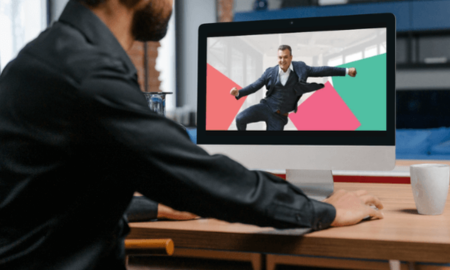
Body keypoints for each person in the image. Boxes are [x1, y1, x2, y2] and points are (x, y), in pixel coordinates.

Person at [0, 0, 383, 269]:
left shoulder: (39, 59)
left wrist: (157, 206)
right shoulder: (88, 77)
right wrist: (325, 210)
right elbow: (203, 179)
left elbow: (49, 201)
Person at [230, 45, 357, 131]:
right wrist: (238, 93)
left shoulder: (301, 68)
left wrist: (346, 71)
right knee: (240, 118)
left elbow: (322, 70)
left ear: (291, 57)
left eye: (285, 57)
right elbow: (254, 86)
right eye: (280, 57)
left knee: (270, 147)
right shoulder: (270, 72)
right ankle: (245, 144)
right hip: (266, 107)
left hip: (279, 116)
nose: (282, 60)